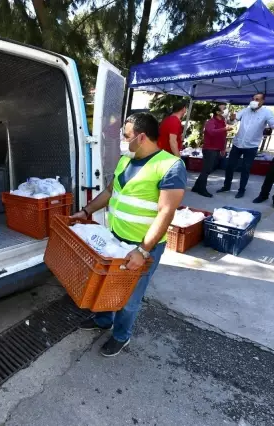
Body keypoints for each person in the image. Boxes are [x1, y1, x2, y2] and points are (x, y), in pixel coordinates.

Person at [72, 112, 186, 357]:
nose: (124, 141)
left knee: (129, 296)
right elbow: (111, 191)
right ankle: (103, 320)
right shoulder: (126, 160)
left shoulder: (170, 166)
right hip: (115, 237)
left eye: (126, 136)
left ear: (141, 136)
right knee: (106, 284)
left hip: (141, 245)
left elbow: (166, 213)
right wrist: (86, 211)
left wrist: (143, 250)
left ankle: (121, 336)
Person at [217, 92, 274, 198]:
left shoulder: (267, 113)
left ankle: (241, 189)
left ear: (262, 101)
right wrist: (231, 118)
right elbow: (232, 122)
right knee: (230, 166)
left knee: (246, 169)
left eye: (257, 99)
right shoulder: (245, 110)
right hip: (237, 143)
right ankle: (226, 186)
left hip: (251, 146)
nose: (254, 101)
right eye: (253, 99)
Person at [192, 105, 233, 197]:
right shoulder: (211, 121)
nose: (226, 110)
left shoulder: (222, 121)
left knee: (208, 169)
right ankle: (201, 189)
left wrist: (223, 148)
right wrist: (224, 129)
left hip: (217, 149)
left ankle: (196, 187)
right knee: (207, 170)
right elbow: (211, 132)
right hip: (210, 149)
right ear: (218, 112)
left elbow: (223, 136)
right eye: (224, 109)